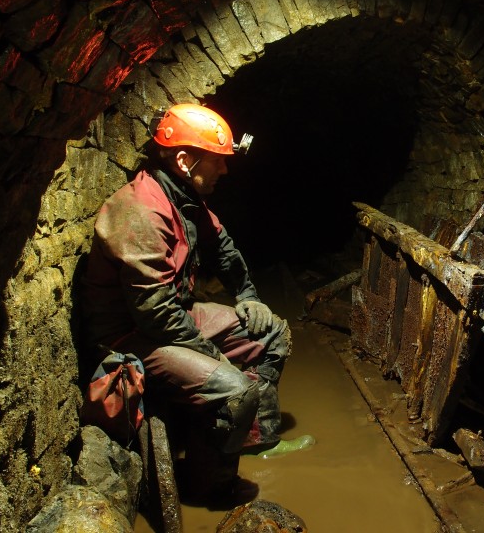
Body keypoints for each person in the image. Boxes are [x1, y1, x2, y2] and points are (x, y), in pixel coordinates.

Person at [80, 103, 314, 507]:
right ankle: (212, 488)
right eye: (217, 160)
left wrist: (248, 296)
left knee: (271, 333)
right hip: (131, 334)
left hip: (173, 314)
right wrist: (211, 354)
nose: (224, 170)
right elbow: (154, 313)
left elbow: (222, 249)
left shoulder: (184, 197)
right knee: (236, 389)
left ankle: (256, 441)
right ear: (185, 161)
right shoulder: (141, 211)